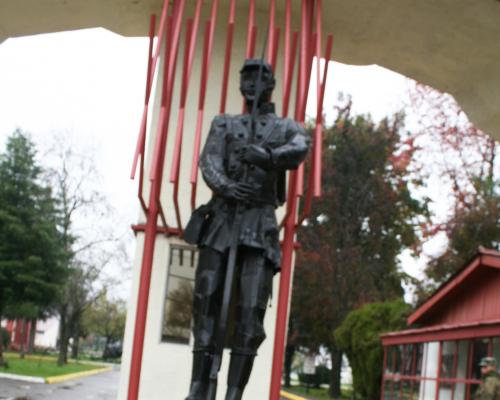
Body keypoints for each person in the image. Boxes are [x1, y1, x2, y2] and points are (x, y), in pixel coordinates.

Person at [184, 59, 310, 400]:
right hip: (224, 219)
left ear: (271, 83)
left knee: (252, 309)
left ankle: (234, 393)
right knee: (206, 297)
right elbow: (208, 161)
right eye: (246, 78)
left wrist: (267, 157)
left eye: (259, 77)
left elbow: (300, 147)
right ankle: (200, 386)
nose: (251, 84)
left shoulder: (285, 127)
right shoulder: (223, 123)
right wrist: (225, 186)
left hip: (259, 224)